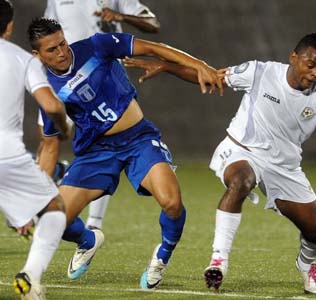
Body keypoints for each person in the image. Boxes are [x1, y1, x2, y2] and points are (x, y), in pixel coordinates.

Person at [122, 33, 316, 294]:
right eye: (311, 65)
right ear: (294, 58)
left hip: (284, 167)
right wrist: (167, 67)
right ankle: (218, 260)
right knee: (241, 181)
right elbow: (212, 77)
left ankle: (306, 263)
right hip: (242, 149)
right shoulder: (260, 72)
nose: (315, 73)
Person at [27, 17, 222, 289]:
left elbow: (155, 48)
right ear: (37, 55)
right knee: (54, 220)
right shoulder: (47, 90)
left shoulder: (96, 46)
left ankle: (162, 257)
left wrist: (200, 65)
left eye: (62, 43)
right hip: (95, 152)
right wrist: (35, 195)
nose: (62, 52)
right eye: (52, 49)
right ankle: (88, 240)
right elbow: (50, 146)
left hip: (138, 140)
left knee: (172, 202)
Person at [38, 0, 161, 231]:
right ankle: (45, 193)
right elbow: (45, 32)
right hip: (62, 83)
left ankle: (94, 224)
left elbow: (152, 24)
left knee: (105, 142)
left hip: (102, 80)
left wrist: (121, 17)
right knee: (47, 140)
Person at [0, 1, 70, 299]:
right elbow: (52, 105)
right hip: (7, 155)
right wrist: (64, 127)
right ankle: (31, 275)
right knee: (54, 209)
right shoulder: (21, 59)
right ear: (10, 25)